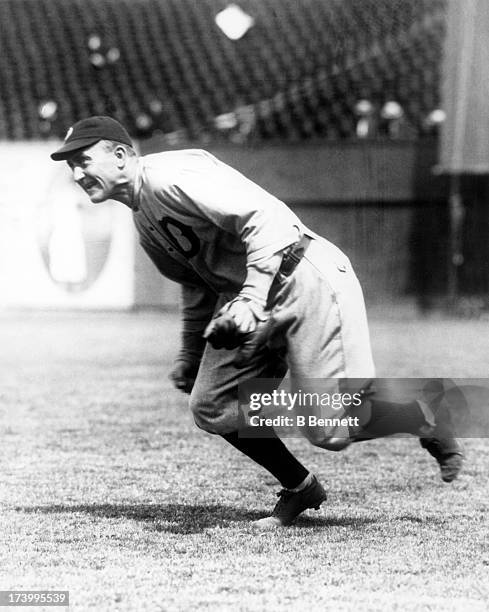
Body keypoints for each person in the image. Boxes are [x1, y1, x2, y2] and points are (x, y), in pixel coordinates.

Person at [50, 116, 464, 528]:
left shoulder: (168, 176)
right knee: (213, 405)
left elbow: (266, 217)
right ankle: (300, 487)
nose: (77, 173)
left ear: (120, 155)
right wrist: (190, 354)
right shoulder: (144, 220)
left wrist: (250, 298)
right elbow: (198, 288)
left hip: (302, 276)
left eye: (83, 160)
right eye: (71, 165)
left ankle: (421, 411)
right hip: (249, 297)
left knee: (329, 430)